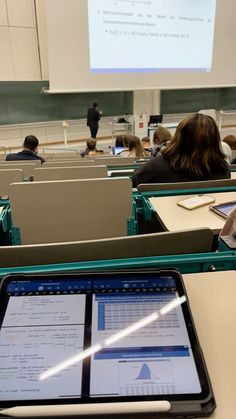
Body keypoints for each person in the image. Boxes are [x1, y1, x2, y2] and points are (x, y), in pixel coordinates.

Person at [132, 113, 230, 187]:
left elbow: (134, 182)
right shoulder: (223, 169)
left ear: (178, 137)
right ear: (214, 140)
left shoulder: (156, 166)